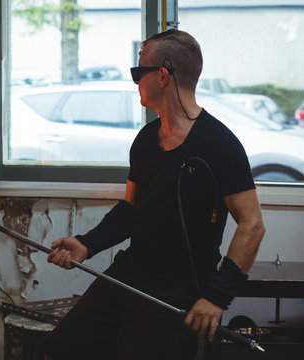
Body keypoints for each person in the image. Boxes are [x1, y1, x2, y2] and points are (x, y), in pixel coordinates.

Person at [40, 29, 265, 359]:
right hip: (130, 276)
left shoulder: (219, 144)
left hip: (178, 291)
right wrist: (87, 243)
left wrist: (217, 297)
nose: (134, 82)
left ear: (162, 75)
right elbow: (130, 210)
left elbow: (252, 224)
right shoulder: (146, 139)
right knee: (60, 350)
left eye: (138, 71)